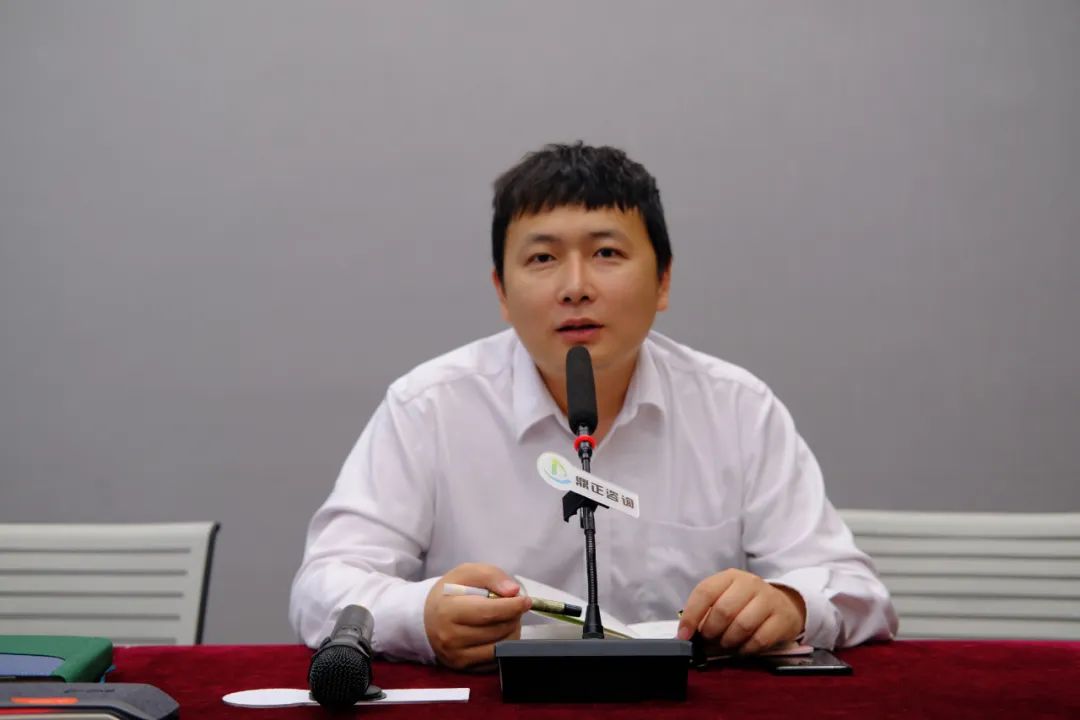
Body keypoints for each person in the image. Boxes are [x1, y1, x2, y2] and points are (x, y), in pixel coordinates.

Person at [290, 142, 897, 670]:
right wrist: (419, 616)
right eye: (542, 258)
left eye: (606, 253)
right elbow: (323, 585)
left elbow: (856, 590)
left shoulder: (737, 408)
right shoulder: (429, 407)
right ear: (501, 291)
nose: (575, 287)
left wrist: (789, 604)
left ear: (662, 280)